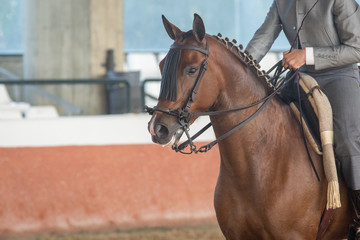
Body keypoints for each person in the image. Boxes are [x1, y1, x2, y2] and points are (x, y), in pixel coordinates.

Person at [245, 0, 360, 234]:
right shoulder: (281, 2)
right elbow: (263, 38)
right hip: (299, 77)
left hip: (340, 77)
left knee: (348, 139)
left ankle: (358, 214)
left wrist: (306, 55)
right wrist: (241, 70)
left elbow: (356, 48)